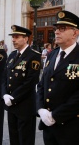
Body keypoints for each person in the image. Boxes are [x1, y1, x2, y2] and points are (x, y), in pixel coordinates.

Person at [36, 10, 79, 145]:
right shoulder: (52, 55)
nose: (57, 32)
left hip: (70, 127)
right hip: (48, 125)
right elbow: (42, 84)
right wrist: (40, 109)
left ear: (75, 33)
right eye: (56, 28)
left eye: (63, 28)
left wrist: (55, 115)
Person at [2, 25, 41, 145]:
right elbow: (4, 77)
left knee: (25, 138)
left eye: (16, 37)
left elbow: (30, 82)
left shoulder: (34, 56)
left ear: (26, 39)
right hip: (11, 104)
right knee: (13, 135)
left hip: (25, 105)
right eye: (13, 37)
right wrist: (4, 94)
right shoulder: (12, 55)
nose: (13, 40)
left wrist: (13, 98)